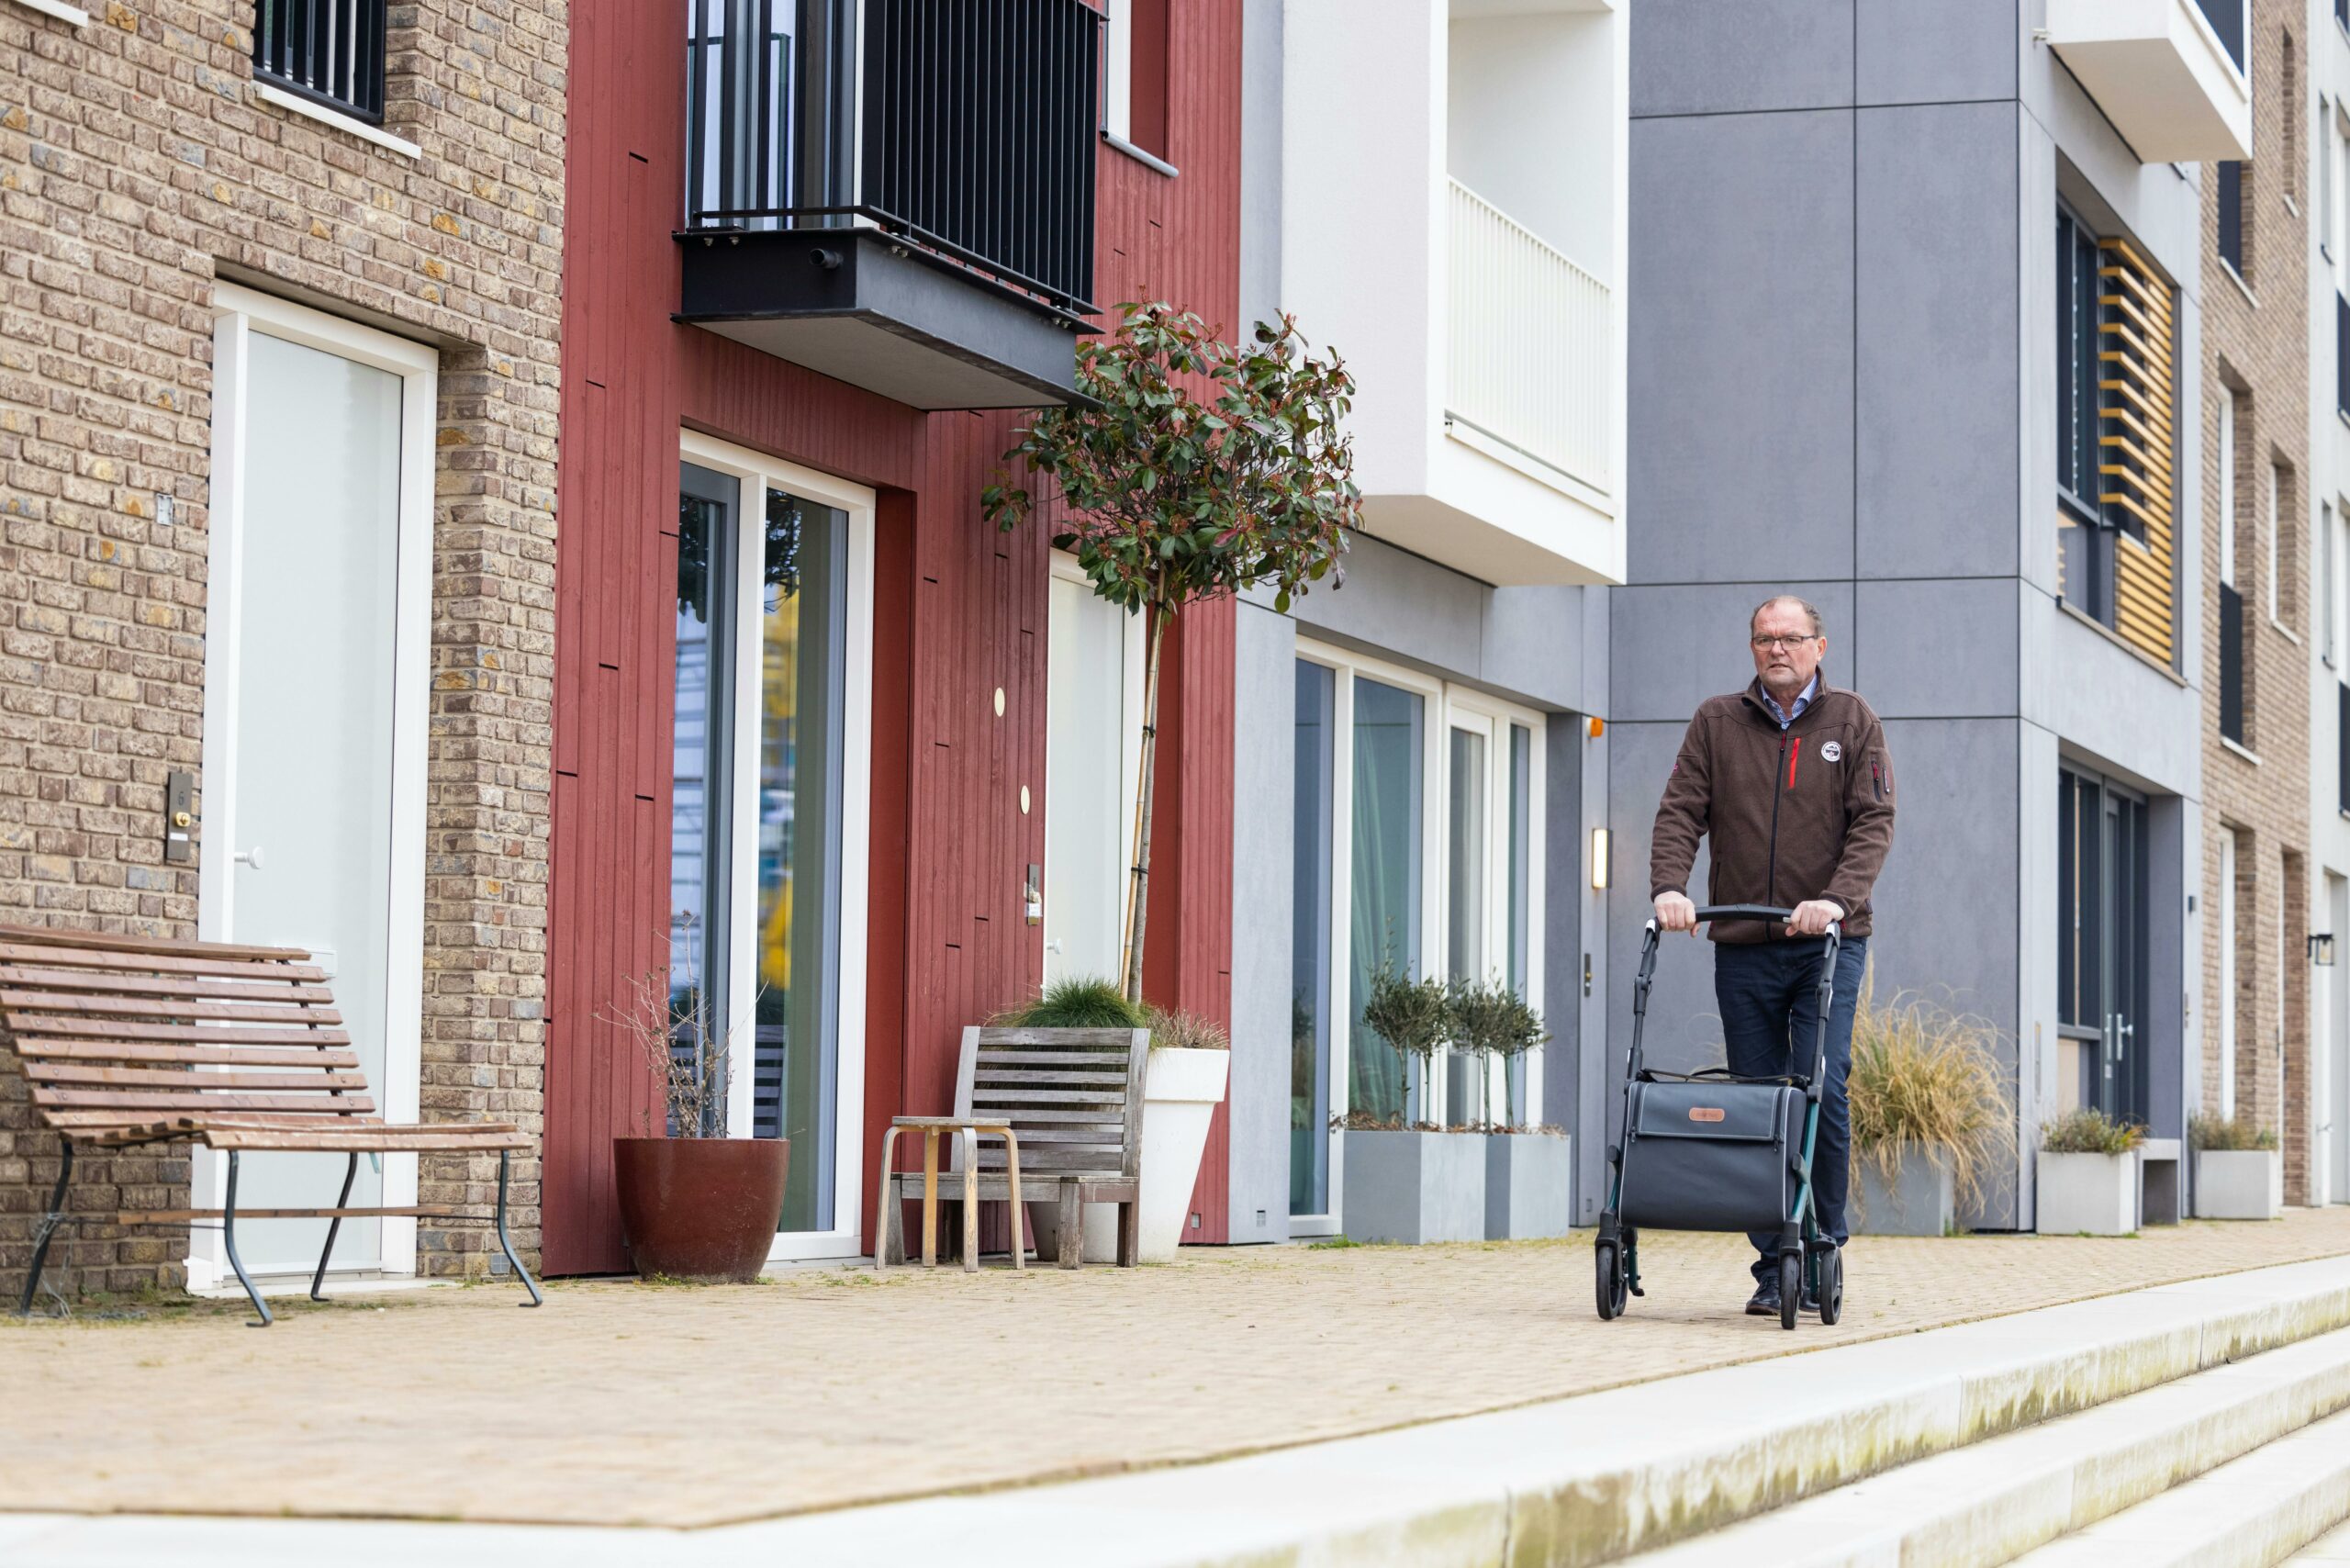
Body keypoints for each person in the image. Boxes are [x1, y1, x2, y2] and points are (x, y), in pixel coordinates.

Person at [1649, 595, 1897, 1316]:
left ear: (1820, 646)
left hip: (1826, 943)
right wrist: (1671, 887)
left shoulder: (1853, 721)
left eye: (1790, 637)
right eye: (1764, 638)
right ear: (1752, 648)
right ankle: (1772, 1260)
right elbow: (1680, 811)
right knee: (1757, 1101)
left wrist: (1837, 900)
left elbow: (1874, 822)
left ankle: (1823, 1247)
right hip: (1745, 945)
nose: (1776, 648)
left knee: (1823, 1085)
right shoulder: (1717, 721)